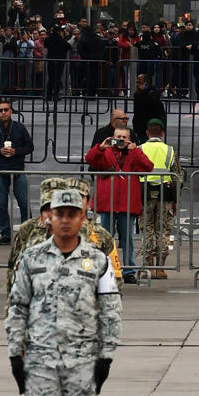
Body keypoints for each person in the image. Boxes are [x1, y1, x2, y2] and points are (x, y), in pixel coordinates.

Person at [7, 183, 122, 396]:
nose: (66, 221)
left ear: (83, 217)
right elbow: (18, 307)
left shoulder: (98, 261)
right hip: (41, 359)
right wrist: (16, 354)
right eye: (60, 214)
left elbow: (111, 310)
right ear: (49, 218)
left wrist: (106, 356)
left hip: (82, 360)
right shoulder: (31, 259)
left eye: (73, 214)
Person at [84, 112, 150, 284]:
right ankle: (104, 267)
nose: (121, 140)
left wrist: (137, 151)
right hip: (107, 202)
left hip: (127, 202)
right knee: (105, 238)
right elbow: (89, 159)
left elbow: (148, 167)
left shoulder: (134, 153)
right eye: (118, 137)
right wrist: (101, 146)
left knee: (127, 238)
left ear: (129, 138)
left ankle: (129, 270)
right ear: (113, 137)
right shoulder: (105, 151)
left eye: (124, 137)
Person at [0, 99, 36, 243]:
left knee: (24, 203)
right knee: (1, 204)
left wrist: (15, 151)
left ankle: (26, 232)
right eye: (1, 110)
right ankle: (6, 233)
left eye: (6, 110)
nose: (4, 113)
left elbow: (30, 146)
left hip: (18, 170)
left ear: (11, 111)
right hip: (0, 171)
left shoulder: (19, 128)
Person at [140, 117, 182, 278]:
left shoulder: (140, 149)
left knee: (147, 229)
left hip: (145, 194)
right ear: (162, 133)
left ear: (147, 133)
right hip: (165, 195)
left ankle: (149, 267)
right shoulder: (169, 150)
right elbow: (177, 176)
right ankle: (161, 268)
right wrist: (175, 200)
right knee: (164, 230)